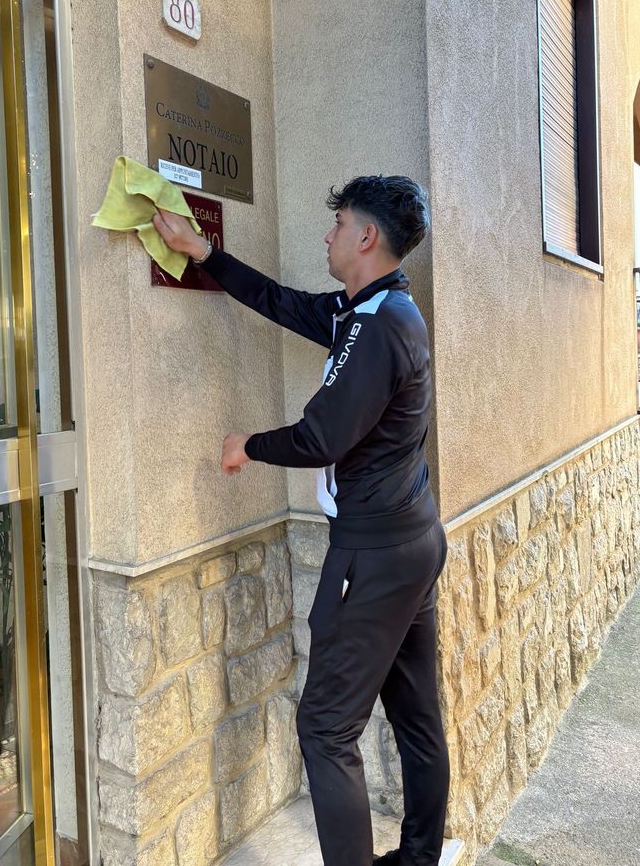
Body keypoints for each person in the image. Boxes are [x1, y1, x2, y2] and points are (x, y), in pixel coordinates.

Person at [152, 175, 449, 866]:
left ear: (367, 237)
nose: (328, 233)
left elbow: (323, 437)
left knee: (324, 727)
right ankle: (417, 859)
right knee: (417, 722)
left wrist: (246, 446)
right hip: (408, 539)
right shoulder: (371, 309)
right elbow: (282, 304)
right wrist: (204, 253)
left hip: (374, 555)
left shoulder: (379, 328)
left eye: (339, 222)